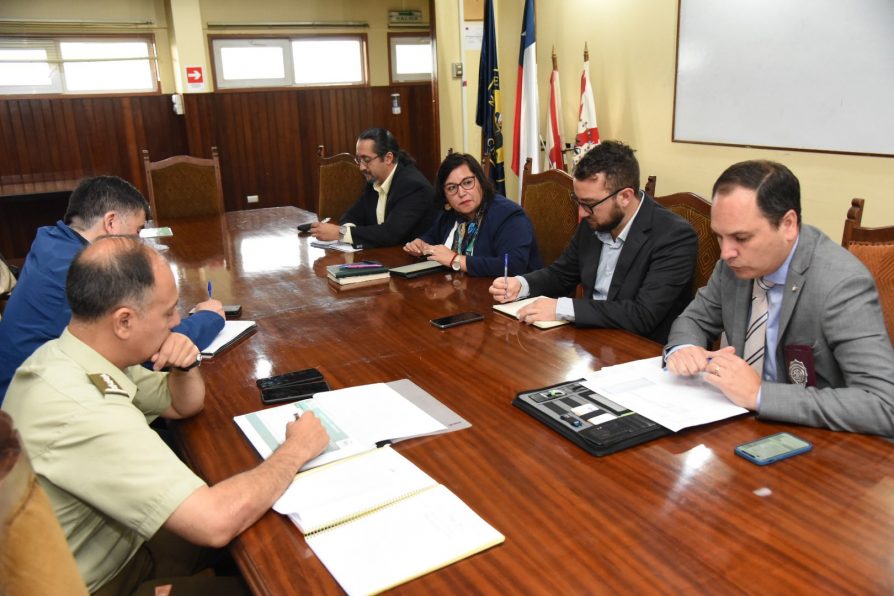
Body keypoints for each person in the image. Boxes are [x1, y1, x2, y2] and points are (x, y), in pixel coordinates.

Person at [1, 236, 329, 593]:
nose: (176, 321)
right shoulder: (81, 406)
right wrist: (295, 450)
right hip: (100, 583)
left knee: (267, 536)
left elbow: (181, 405)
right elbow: (214, 521)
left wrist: (185, 364)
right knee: (289, 582)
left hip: (122, 543)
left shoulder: (75, 354)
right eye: (168, 311)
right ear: (123, 321)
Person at [665, 160, 894, 436]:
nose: (726, 253)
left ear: (788, 224)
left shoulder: (840, 284)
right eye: (719, 237)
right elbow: (693, 319)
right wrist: (685, 348)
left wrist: (760, 394)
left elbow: (883, 404)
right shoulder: (732, 265)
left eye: (741, 237)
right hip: (742, 427)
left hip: (820, 446)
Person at [0, 176, 225, 403]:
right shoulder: (81, 272)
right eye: (137, 231)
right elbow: (143, 351)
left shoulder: (53, 243)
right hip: (35, 409)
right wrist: (209, 318)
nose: (139, 242)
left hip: (26, 390)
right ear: (111, 222)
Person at [488, 140, 698, 343]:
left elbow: (642, 315)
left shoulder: (673, 236)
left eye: (588, 204)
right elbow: (562, 274)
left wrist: (562, 308)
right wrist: (521, 284)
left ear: (625, 196)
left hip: (639, 350)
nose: (581, 212)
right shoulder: (596, 219)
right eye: (578, 201)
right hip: (589, 339)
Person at [403, 153, 543, 276]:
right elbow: (433, 236)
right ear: (445, 195)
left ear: (480, 181)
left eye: (467, 182)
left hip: (512, 298)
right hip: (463, 291)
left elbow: (511, 266)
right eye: (452, 188)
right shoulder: (451, 214)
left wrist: (455, 260)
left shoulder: (509, 215)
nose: (461, 193)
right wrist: (421, 244)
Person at [310, 128, 437, 247]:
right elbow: (352, 215)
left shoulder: (413, 186)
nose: (361, 167)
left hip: (412, 262)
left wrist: (341, 234)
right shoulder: (374, 181)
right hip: (384, 256)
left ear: (388, 158)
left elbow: (391, 233)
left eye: (366, 160)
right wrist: (346, 230)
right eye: (359, 160)